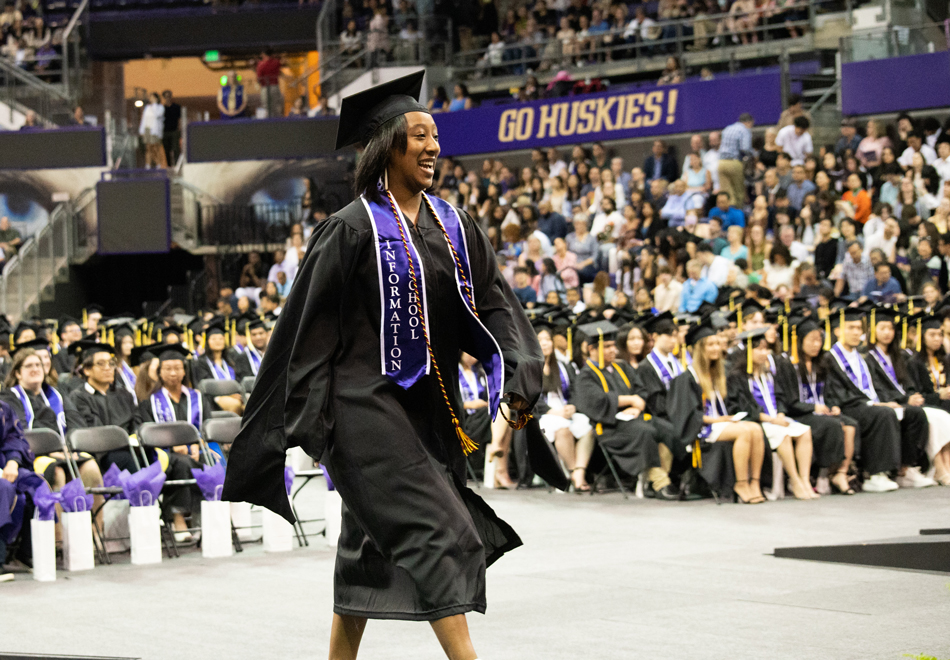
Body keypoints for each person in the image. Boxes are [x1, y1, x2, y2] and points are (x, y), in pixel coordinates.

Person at [222, 71, 544, 659]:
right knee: (441, 532)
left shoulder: (452, 227)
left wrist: (518, 367)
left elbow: (495, 300)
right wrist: (316, 428)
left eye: (435, 135)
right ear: (387, 145)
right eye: (418, 134)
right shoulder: (349, 231)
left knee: (367, 554)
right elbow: (306, 336)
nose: (433, 146)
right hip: (361, 409)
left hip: (428, 409)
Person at [573, 320, 675, 499]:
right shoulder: (585, 376)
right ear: (592, 350)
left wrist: (638, 407)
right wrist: (630, 399)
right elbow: (596, 402)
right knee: (646, 432)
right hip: (608, 426)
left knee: (667, 430)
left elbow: (641, 391)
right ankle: (659, 483)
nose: (613, 350)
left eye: (613, 346)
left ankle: (658, 479)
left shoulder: (622, 367)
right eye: (606, 347)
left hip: (633, 419)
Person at [668, 320, 766, 503]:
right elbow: (688, 415)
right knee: (744, 432)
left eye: (716, 344)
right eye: (710, 345)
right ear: (699, 349)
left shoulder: (721, 373)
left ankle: (755, 483)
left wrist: (729, 418)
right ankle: (741, 484)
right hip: (702, 428)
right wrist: (719, 420)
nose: (715, 349)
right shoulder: (686, 379)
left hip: (722, 423)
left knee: (755, 429)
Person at [821, 308, 914, 492]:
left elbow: (876, 386)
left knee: (912, 413)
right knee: (882, 413)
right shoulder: (829, 359)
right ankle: (875, 473)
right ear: (838, 331)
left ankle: (907, 468)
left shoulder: (863, 357)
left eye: (859, 328)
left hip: (868, 403)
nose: (857, 332)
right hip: (848, 406)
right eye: (851, 328)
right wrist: (873, 403)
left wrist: (889, 400)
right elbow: (837, 393)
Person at [728, 328, 818, 500]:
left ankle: (805, 480)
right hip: (759, 421)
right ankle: (795, 479)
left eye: (766, 349)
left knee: (804, 431)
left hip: (776, 419)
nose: (764, 353)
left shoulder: (768, 374)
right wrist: (770, 419)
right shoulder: (737, 376)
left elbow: (780, 397)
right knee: (782, 434)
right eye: (759, 349)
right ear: (748, 351)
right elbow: (741, 407)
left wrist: (782, 414)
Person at [136, 344, 212, 540]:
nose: (173, 373)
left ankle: (203, 518)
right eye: (168, 368)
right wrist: (170, 445)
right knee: (181, 463)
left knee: (212, 459)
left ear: (184, 370)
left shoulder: (198, 398)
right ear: (159, 372)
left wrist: (198, 443)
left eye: (178, 368)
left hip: (196, 451)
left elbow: (206, 428)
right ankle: (179, 519)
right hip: (162, 455)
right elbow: (147, 434)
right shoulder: (149, 403)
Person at [868, 309, 950, 487]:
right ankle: (935, 467)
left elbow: (908, 383)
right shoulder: (868, 358)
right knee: (928, 415)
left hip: (905, 401)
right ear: (873, 331)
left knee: (937, 415)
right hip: (888, 402)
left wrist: (912, 395)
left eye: (890, 328)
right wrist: (905, 400)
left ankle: (923, 466)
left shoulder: (899, 356)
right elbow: (876, 388)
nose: (888, 333)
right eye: (883, 328)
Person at [777, 317, 856, 495]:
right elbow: (790, 400)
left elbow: (829, 394)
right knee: (833, 425)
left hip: (820, 411)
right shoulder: (788, 364)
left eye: (819, 340)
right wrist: (813, 407)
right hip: (799, 413)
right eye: (811, 340)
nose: (816, 345)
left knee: (850, 425)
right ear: (800, 341)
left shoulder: (822, 363)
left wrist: (833, 406)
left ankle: (840, 473)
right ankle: (822, 474)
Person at [536, 326, 593, 492]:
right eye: (540, 340)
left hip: (565, 410)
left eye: (547, 339)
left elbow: (576, 390)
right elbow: (529, 398)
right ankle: (572, 470)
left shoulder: (565, 367)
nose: (545, 343)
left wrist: (572, 406)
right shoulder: (529, 368)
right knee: (563, 429)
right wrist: (553, 411)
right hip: (544, 415)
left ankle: (579, 472)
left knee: (587, 428)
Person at [192, 322, 243, 416]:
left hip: (235, 395)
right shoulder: (201, 362)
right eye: (214, 339)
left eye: (221, 338)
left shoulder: (230, 359)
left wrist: (238, 393)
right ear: (207, 341)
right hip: (213, 398)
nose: (218, 341)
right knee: (235, 405)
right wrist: (228, 395)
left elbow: (239, 379)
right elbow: (204, 385)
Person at [718, 113, 755, 205]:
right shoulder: (744, 130)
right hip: (734, 162)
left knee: (727, 193)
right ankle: (738, 215)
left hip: (721, 163)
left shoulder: (727, 129)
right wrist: (753, 155)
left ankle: (728, 216)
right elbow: (745, 148)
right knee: (739, 193)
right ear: (749, 122)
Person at [138, 92, 166, 169]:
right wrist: (142, 130)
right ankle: (148, 164)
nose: (151, 99)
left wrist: (154, 105)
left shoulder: (160, 107)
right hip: (148, 129)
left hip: (155, 130)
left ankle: (158, 164)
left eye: (152, 97)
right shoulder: (147, 107)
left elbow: (157, 115)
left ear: (156, 98)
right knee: (148, 148)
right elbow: (144, 119)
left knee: (155, 148)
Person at [256, 49, 283, 118]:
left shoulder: (261, 64)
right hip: (275, 86)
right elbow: (278, 71)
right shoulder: (276, 62)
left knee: (266, 107)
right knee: (276, 106)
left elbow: (259, 77)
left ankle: (268, 123)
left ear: (264, 54)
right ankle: (278, 122)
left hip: (265, 87)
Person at [161, 90, 182, 167]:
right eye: (166, 97)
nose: (167, 98)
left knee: (175, 149)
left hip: (174, 130)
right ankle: (169, 165)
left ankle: (177, 165)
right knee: (167, 150)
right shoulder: (162, 109)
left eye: (169, 96)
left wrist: (179, 129)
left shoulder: (176, 107)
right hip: (165, 132)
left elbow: (180, 119)